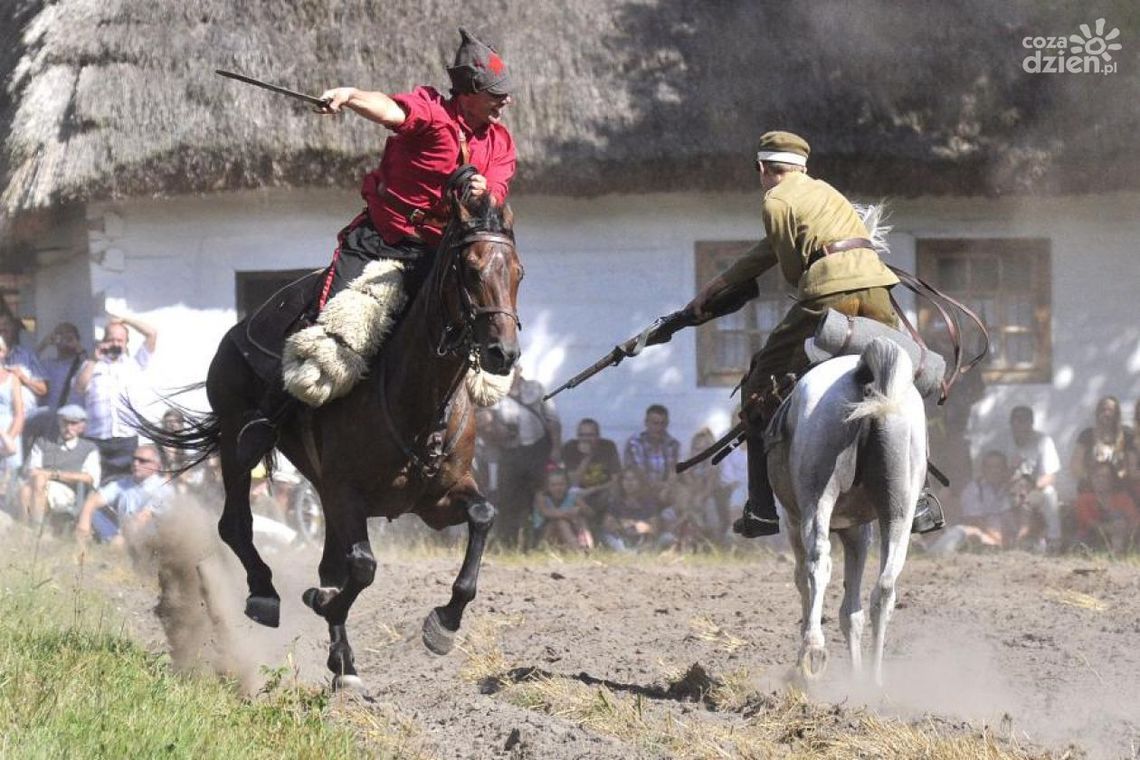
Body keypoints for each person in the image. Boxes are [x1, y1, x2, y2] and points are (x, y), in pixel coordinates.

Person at [241, 27, 517, 463]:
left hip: (437, 253)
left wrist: (486, 192)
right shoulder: (432, 114)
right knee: (327, 321)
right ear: (469, 91)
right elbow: (390, 110)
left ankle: (438, 432)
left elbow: (498, 190)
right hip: (381, 240)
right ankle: (268, 419)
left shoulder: (499, 141)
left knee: (466, 323)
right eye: (496, 94)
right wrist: (350, 95)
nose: (505, 101)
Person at [685, 131, 904, 539]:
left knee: (757, 382)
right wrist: (714, 286)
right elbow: (767, 249)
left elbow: (789, 267)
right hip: (877, 286)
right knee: (898, 376)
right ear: (802, 167)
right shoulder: (825, 193)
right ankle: (919, 495)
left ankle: (762, 508)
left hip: (827, 295)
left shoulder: (775, 200)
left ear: (763, 169)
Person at [73, 313, 158, 481]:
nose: (115, 343)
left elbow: (152, 333)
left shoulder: (135, 363)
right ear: (103, 341)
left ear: (126, 343)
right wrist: (92, 360)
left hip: (126, 438)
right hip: (96, 438)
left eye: (120, 340)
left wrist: (125, 320)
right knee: (95, 484)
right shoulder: (91, 364)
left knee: (125, 484)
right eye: (111, 339)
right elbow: (79, 389)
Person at [486, 368, 559, 549]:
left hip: (537, 450)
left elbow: (552, 421)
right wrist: (496, 429)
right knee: (509, 500)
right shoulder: (495, 392)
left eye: (513, 368)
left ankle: (535, 542)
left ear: (519, 370)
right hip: (510, 453)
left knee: (538, 498)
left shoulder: (536, 388)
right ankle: (508, 544)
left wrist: (556, 449)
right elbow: (486, 421)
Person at [75, 444, 172, 548]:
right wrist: (84, 524)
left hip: (149, 536)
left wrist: (122, 538)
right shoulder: (122, 483)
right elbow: (93, 500)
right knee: (90, 511)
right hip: (124, 529)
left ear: (156, 466)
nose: (136, 463)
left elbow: (143, 518)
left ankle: (109, 543)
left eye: (142, 461)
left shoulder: (163, 488)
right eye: (134, 459)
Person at [20, 404, 100, 529]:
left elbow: (90, 478)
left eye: (73, 423)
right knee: (27, 488)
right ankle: (29, 529)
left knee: (30, 487)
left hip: (67, 490)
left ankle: (33, 528)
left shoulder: (89, 448)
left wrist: (54, 475)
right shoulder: (43, 443)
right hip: (39, 485)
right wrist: (43, 476)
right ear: (59, 422)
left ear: (82, 426)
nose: (68, 428)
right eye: (65, 423)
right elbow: (31, 470)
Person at [930, 450, 1013, 553]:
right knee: (966, 533)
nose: (994, 471)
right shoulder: (974, 489)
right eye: (989, 467)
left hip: (1002, 536)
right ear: (983, 469)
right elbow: (974, 521)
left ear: (1005, 470)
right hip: (981, 533)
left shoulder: (1007, 491)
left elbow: (1009, 518)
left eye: (998, 467)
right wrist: (997, 538)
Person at [1005, 405, 1062, 552]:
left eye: (1024, 421)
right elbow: (993, 473)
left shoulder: (1043, 441)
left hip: (1035, 488)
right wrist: (1011, 472)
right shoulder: (1001, 441)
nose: (1020, 425)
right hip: (1008, 487)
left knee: (1049, 494)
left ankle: (1054, 539)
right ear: (1011, 423)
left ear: (1031, 423)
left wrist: (1030, 486)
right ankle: (1004, 540)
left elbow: (1051, 476)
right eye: (1016, 421)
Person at [1070, 396, 1136, 496]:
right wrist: (1093, 479)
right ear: (1097, 413)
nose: (1106, 413)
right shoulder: (1087, 435)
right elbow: (1075, 466)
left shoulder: (1127, 435)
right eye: (1103, 409)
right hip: (1092, 488)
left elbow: (1132, 465)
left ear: (1117, 414)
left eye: (1110, 410)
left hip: (1121, 488)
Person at [560, 418, 622, 519]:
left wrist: (593, 489)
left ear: (598, 436)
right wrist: (587, 457)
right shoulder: (570, 447)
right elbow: (573, 482)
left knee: (613, 492)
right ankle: (590, 521)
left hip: (602, 490)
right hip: (578, 492)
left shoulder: (608, 446)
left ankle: (604, 521)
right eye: (582, 435)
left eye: (590, 435)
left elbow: (616, 479)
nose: (585, 439)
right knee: (572, 496)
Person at [1073, 461, 1140, 551]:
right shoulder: (1084, 499)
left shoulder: (1123, 498)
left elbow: (1135, 520)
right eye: (1097, 476)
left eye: (1105, 477)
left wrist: (1124, 530)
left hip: (1124, 537)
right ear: (1091, 478)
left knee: (1119, 518)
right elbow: (1089, 524)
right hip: (1091, 538)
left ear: (1112, 479)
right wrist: (1113, 529)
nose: (1101, 480)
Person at [623, 404, 680, 508]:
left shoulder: (672, 444)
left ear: (667, 424)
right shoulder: (634, 443)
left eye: (662, 424)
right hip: (640, 489)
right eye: (655, 423)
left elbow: (673, 472)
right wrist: (659, 487)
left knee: (683, 495)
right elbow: (638, 474)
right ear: (646, 423)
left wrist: (667, 488)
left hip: (665, 491)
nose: (658, 428)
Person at [532, 467, 593, 551]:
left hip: (567, 533)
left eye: (561, 484)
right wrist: (568, 513)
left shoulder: (572, 496)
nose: (558, 488)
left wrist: (580, 510)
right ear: (547, 486)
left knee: (580, 518)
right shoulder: (542, 497)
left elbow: (590, 512)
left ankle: (586, 545)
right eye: (553, 485)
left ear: (567, 485)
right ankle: (578, 550)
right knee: (559, 521)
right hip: (545, 532)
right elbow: (546, 513)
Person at [0, 336, 26, 483]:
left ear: (4, 353)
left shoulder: (12, 378)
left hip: (9, 430)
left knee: (8, 486)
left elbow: (19, 414)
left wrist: (8, 440)